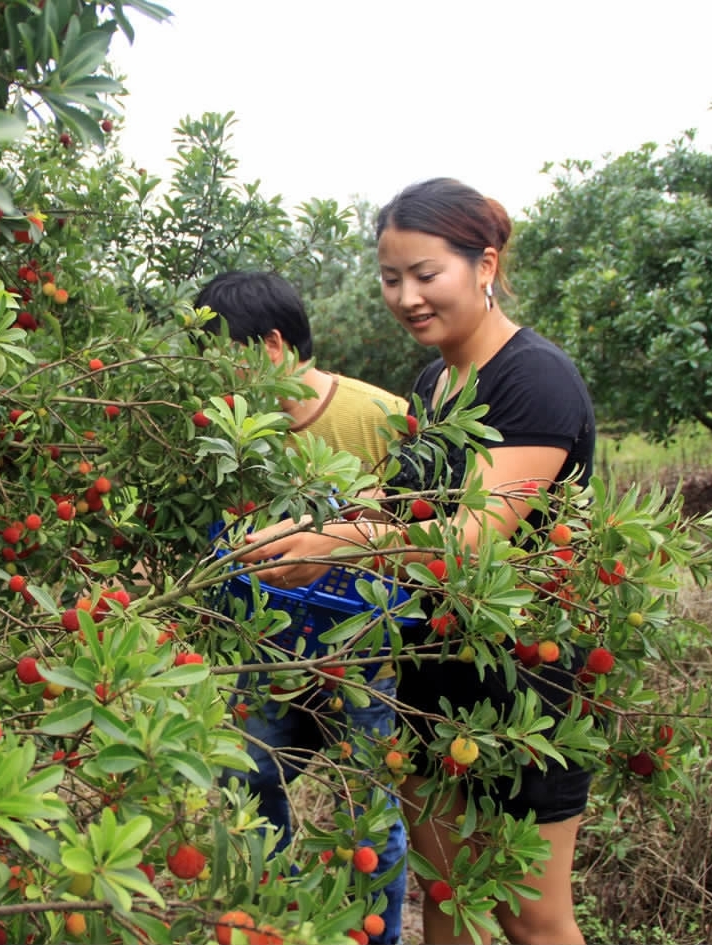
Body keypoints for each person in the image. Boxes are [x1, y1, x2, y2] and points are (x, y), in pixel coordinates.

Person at [235, 179, 595, 945]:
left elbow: (473, 538)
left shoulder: (533, 379)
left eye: (424, 274)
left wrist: (334, 543)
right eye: (390, 278)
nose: (405, 296)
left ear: (483, 264)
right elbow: (407, 512)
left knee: (532, 919)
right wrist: (317, 523)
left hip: (520, 685)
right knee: (445, 891)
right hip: (431, 669)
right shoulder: (434, 382)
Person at [196, 270, 410, 945]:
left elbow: (423, 534)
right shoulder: (230, 434)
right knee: (249, 777)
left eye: (221, 355)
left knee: (372, 810)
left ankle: (377, 935)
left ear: (272, 344)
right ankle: (276, 925)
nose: (212, 377)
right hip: (268, 645)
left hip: (363, 646)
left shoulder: (383, 416)